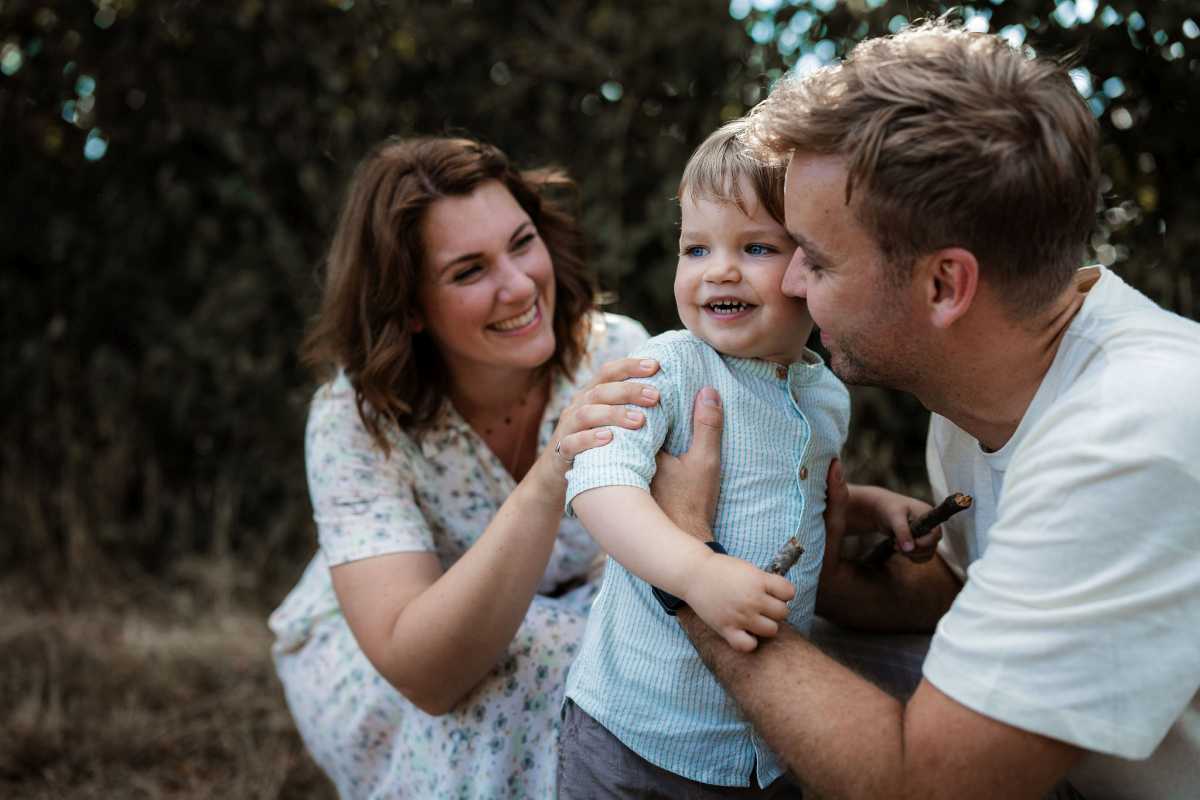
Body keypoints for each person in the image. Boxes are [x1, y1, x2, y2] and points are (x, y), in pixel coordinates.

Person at [650, 20, 1200, 800]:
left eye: (818, 257)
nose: (794, 286)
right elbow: (964, 588)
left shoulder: (1131, 435)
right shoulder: (989, 376)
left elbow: (924, 788)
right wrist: (822, 562)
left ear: (944, 286)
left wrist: (686, 573)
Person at [267, 136, 664, 799]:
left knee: (642, 658)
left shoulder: (616, 352)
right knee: (535, 666)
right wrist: (551, 472)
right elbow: (426, 674)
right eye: (469, 271)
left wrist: (842, 505)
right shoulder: (354, 420)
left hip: (580, 614)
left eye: (521, 242)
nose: (518, 286)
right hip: (404, 654)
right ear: (411, 307)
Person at [557, 119, 939, 797]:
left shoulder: (824, 395)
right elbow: (600, 485)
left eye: (755, 246)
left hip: (760, 744)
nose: (719, 270)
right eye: (696, 248)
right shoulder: (671, 369)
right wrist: (695, 571)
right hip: (636, 728)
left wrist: (870, 508)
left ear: (810, 265)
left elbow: (782, 502)